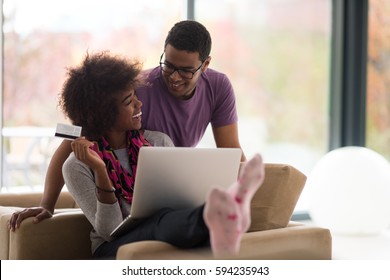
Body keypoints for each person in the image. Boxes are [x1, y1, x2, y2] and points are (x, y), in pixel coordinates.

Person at [8, 20, 247, 228]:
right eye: (169, 65)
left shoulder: (218, 87)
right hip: (129, 184)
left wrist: (251, 193)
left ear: (205, 65)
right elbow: (75, 137)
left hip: (172, 176)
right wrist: (47, 205)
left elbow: (231, 150)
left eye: (185, 71)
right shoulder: (138, 88)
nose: (174, 77)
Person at [24, 51, 264, 258]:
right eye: (130, 101)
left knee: (167, 219)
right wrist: (100, 172)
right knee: (161, 223)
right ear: (104, 114)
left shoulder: (158, 142)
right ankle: (215, 215)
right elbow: (109, 231)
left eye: (136, 96)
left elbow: (178, 200)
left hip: (166, 228)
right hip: (110, 250)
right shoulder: (77, 166)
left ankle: (220, 218)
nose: (139, 105)